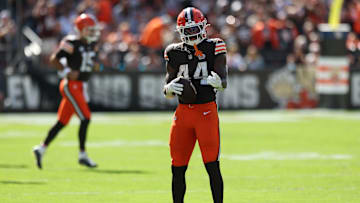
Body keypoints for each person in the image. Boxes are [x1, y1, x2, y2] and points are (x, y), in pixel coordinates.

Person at [163, 7, 227, 203]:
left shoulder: (214, 46)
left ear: (203, 27)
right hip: (182, 114)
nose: (191, 34)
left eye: (194, 29)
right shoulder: (173, 52)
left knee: (212, 165)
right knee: (177, 167)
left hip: (206, 112)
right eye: (187, 30)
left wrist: (220, 83)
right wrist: (168, 88)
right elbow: (167, 86)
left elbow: (223, 79)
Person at [33, 13, 101, 169]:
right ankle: (82, 155)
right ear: (81, 29)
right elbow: (54, 59)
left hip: (81, 85)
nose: (92, 33)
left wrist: (96, 66)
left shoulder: (91, 44)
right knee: (86, 118)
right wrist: (66, 71)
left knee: (62, 122)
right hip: (71, 85)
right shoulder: (71, 42)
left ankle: (41, 148)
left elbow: (91, 62)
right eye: (89, 30)